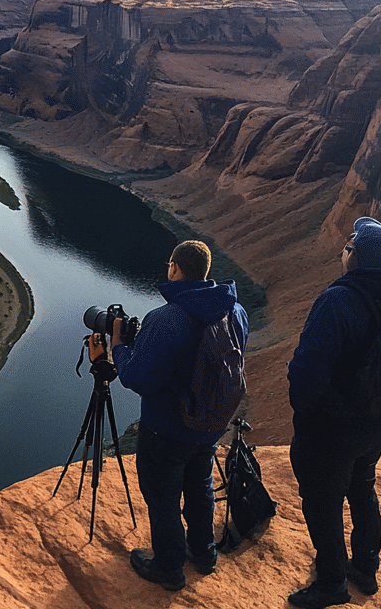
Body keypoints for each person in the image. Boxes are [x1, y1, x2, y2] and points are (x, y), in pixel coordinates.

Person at [286, 217, 381, 608]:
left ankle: (331, 582)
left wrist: (305, 415)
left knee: (322, 500)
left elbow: (307, 368)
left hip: (335, 426)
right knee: (362, 487)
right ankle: (365, 569)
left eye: (348, 247)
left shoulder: (339, 299)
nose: (341, 251)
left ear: (356, 257)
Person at [107, 239, 249, 591]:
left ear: (174, 268)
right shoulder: (236, 312)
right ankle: (203, 553)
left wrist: (119, 348)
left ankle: (169, 567)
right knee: (199, 485)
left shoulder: (166, 318)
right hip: (210, 426)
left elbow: (138, 378)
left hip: (166, 429)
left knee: (163, 496)